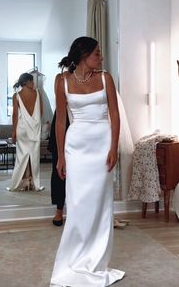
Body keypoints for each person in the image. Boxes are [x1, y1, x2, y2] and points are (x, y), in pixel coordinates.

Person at [50, 36, 125, 286]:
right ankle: (74, 258)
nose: (101, 57)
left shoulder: (106, 78)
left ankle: (96, 260)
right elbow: (61, 121)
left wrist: (114, 147)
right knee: (78, 202)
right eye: (97, 53)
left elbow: (114, 115)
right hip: (76, 147)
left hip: (102, 144)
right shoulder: (62, 81)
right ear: (83, 56)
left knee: (101, 204)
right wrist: (61, 156)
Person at [7, 72, 44, 192]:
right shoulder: (38, 93)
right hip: (35, 128)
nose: (34, 83)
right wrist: (35, 122)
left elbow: (15, 116)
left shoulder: (16, 96)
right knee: (34, 155)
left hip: (22, 129)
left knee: (21, 157)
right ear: (26, 82)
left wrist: (14, 132)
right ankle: (32, 182)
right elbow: (41, 112)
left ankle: (23, 182)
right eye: (32, 81)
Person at [48, 74, 70, 226]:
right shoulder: (61, 78)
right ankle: (59, 210)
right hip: (63, 119)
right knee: (59, 170)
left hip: (81, 123)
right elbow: (59, 98)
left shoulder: (93, 77)